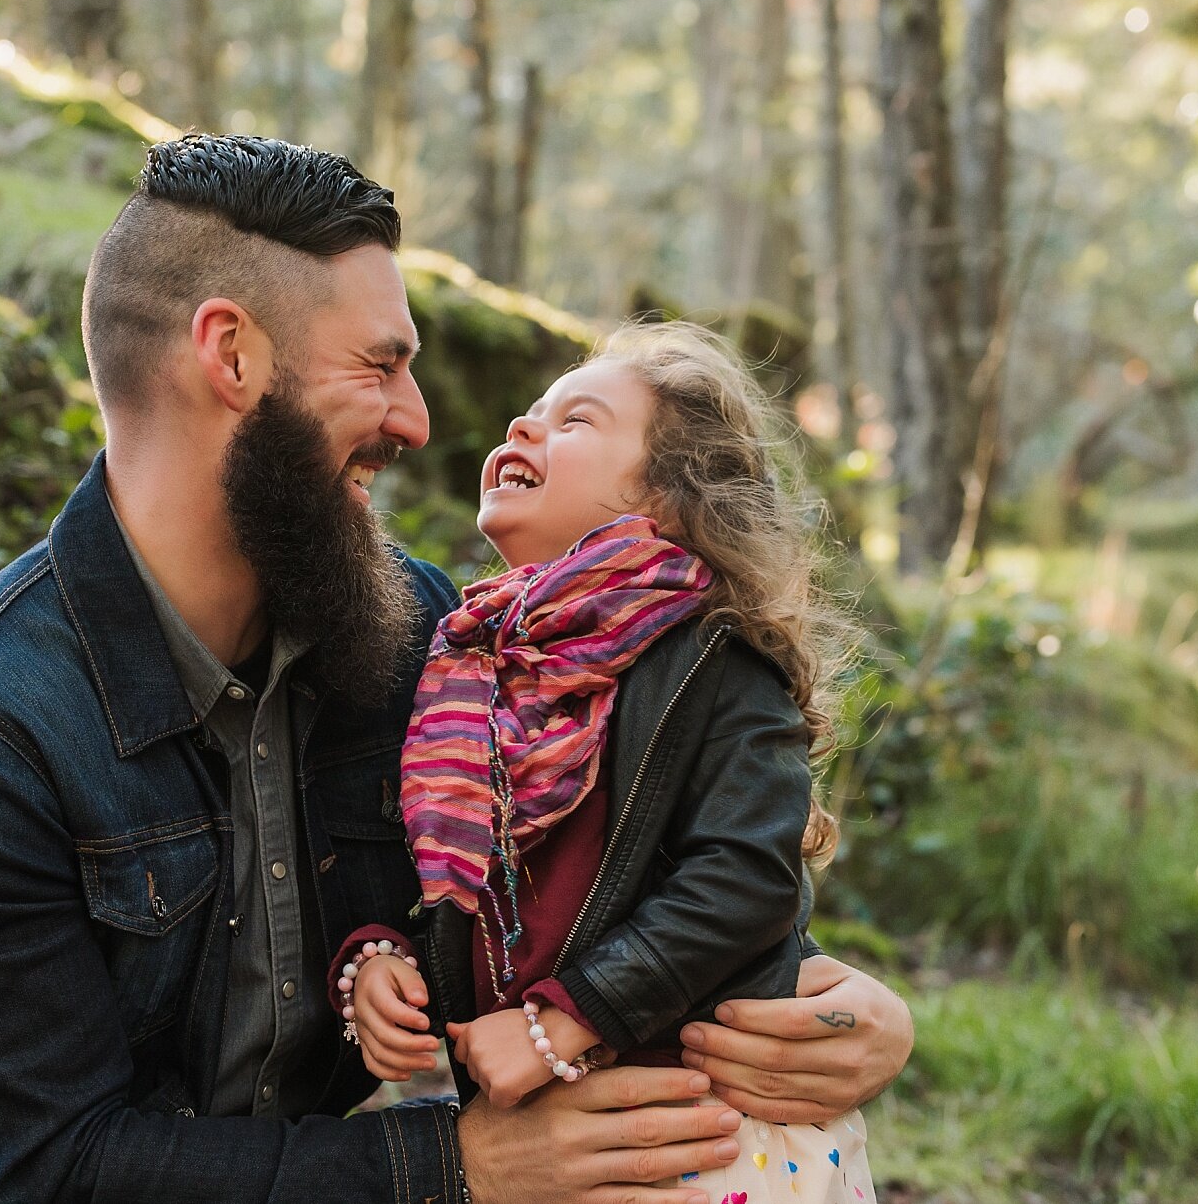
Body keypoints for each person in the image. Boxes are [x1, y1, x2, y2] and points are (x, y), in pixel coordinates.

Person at [0, 134, 912, 1204]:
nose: (418, 421)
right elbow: (53, 1173)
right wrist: (458, 1164)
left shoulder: (436, 647)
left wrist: (850, 1008)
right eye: (379, 365)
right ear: (231, 356)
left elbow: (641, 863)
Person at [335, 322, 876, 1202]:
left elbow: (744, 879)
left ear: (664, 502)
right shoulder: (467, 670)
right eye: (530, 411)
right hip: (553, 1141)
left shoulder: (715, 660)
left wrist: (558, 1023)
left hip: (703, 1133)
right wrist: (383, 960)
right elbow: (467, 884)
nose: (522, 426)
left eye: (576, 420)